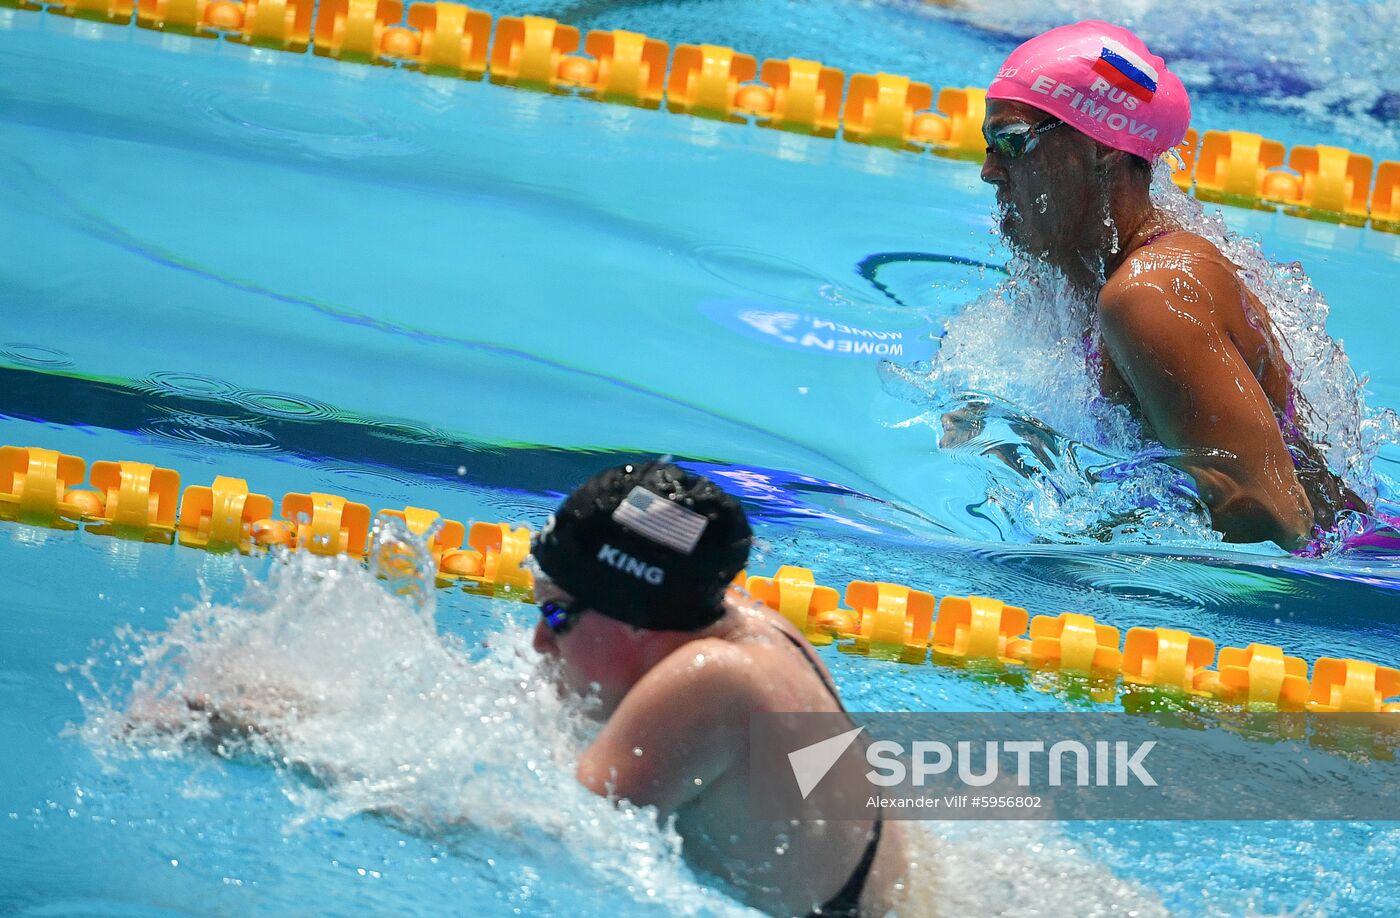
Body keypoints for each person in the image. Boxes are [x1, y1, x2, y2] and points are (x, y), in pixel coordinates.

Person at [977, 20, 1364, 550]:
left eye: (1011, 142)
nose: (989, 170)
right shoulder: (1092, 278)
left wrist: (1082, 542)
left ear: (1101, 148)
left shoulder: (1149, 294)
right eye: (988, 143)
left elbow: (1272, 522)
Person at [530, 461, 907, 917]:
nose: (539, 640)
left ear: (634, 618)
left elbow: (545, 836)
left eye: (556, 615)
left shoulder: (709, 680)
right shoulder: (760, 630)